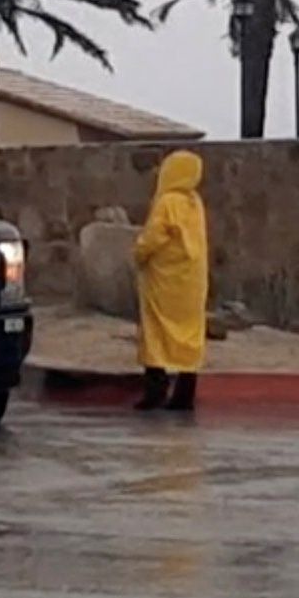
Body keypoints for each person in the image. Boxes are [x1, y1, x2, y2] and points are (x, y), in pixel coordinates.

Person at [130, 148, 208, 412]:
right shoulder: (194, 203)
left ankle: (155, 391)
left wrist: (138, 253)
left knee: (156, 331)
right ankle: (185, 394)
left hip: (164, 281)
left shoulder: (167, 203)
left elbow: (154, 237)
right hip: (192, 281)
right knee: (189, 334)